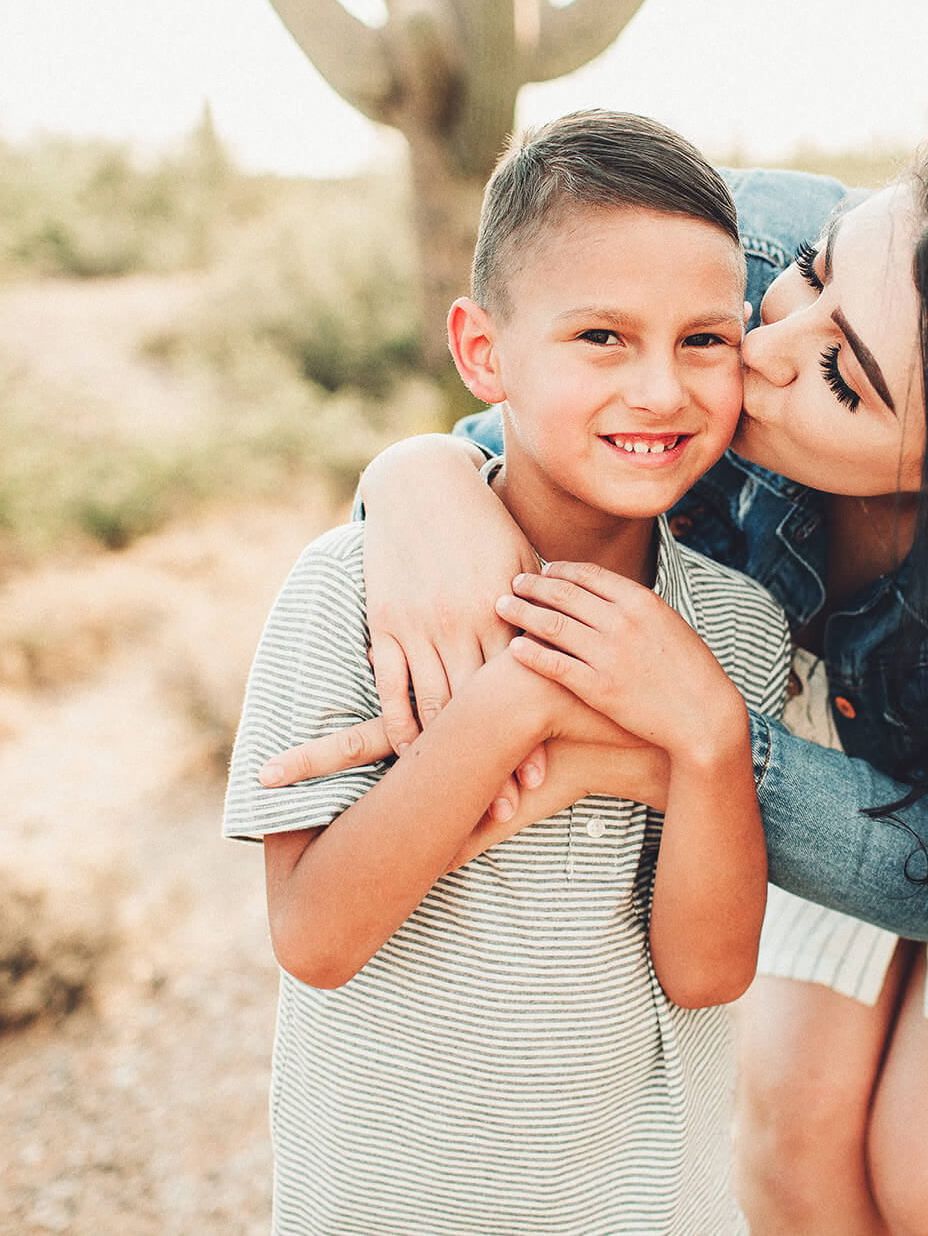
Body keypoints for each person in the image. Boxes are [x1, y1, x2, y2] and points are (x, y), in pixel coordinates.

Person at [264, 113, 928, 1234]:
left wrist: (673, 746)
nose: (758, 348)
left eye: (839, 376)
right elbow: (535, 400)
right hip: (818, 737)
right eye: (812, 272)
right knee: (793, 1147)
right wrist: (417, 473)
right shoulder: (734, 254)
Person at [223, 109, 794, 1233]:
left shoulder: (733, 627)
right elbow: (316, 938)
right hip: (392, 1205)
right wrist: (530, 689)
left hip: (639, 1207)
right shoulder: (346, 593)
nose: (660, 390)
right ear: (483, 351)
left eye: (702, 340)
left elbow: (707, 970)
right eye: (601, 339)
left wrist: (709, 736)